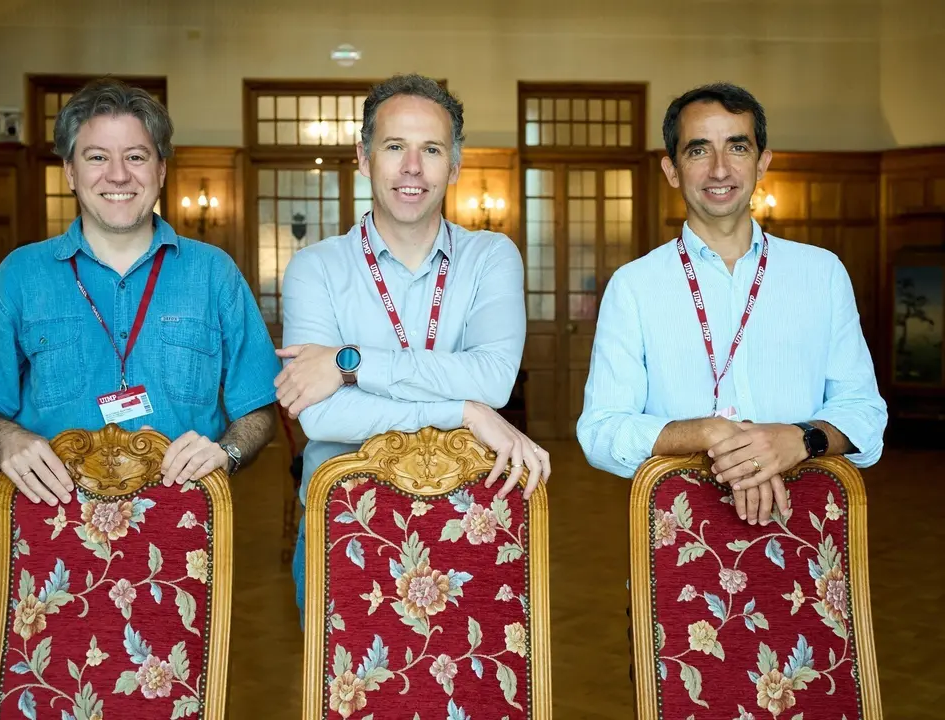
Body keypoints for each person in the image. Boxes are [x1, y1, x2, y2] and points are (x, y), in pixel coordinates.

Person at [274, 73, 552, 618]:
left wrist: (347, 363)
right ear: (363, 156)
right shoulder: (315, 268)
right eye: (394, 146)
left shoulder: (492, 257)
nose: (411, 168)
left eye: (431, 149)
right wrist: (462, 410)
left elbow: (493, 378)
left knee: (465, 698)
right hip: (344, 519)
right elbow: (323, 417)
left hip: (467, 517)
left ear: (454, 165)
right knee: (341, 701)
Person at [0, 78, 280, 504]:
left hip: (185, 522)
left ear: (160, 169)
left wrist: (227, 452)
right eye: (97, 156)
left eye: (135, 156)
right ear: (70, 170)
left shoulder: (215, 273)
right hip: (53, 523)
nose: (118, 175)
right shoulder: (20, 275)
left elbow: (259, 406)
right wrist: (4, 435)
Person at [577, 82, 887, 526]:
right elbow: (599, 432)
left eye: (737, 147)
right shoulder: (634, 286)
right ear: (672, 170)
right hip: (678, 540)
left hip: (809, 536)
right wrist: (707, 432)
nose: (719, 170)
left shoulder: (822, 273)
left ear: (762, 162)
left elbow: (866, 413)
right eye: (699, 151)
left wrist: (800, 438)